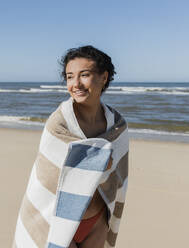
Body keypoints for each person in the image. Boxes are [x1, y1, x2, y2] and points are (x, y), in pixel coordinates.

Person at [13, 45, 129, 248]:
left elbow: (118, 175)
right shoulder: (59, 124)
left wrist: (97, 159)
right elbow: (49, 175)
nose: (76, 84)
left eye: (84, 75)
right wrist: (98, 159)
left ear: (103, 77)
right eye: (69, 77)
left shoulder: (117, 125)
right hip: (54, 220)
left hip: (97, 219)